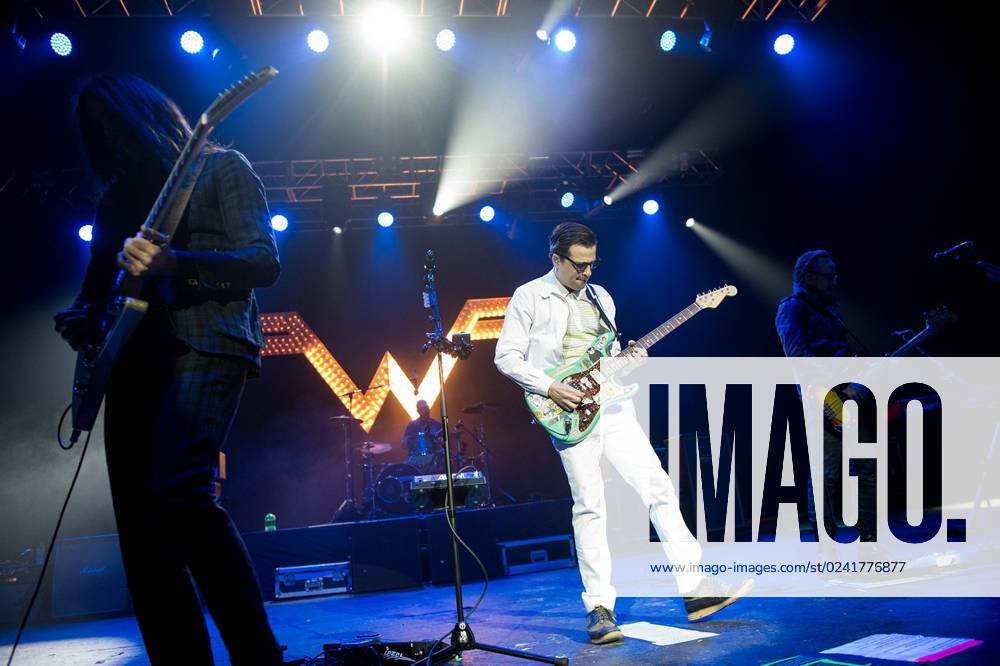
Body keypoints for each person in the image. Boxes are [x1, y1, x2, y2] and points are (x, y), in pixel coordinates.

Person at [53, 74, 283, 665]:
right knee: (138, 527)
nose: (111, 142)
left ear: (145, 117)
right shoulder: (113, 202)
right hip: (127, 364)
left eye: (116, 126)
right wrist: (80, 322)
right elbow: (93, 295)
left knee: (180, 498)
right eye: (97, 135)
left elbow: (262, 262)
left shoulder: (219, 168)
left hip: (202, 347)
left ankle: (259, 656)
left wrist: (172, 262)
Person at [494, 222, 751, 645]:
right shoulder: (530, 296)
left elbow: (608, 358)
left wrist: (628, 359)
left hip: (612, 408)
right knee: (591, 507)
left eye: (592, 264)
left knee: (660, 489)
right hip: (566, 412)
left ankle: (697, 590)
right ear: (555, 259)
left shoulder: (601, 297)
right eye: (578, 265)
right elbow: (506, 356)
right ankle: (599, 608)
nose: (587, 273)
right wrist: (549, 386)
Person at [775, 250, 876, 542]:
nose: (834, 281)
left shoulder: (831, 308)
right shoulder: (792, 308)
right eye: (828, 276)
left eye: (835, 275)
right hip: (824, 398)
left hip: (851, 396)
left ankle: (870, 540)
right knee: (827, 473)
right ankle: (827, 549)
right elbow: (798, 354)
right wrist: (837, 384)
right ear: (808, 277)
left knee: (867, 467)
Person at [401, 399, 444, 472]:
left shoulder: (437, 425)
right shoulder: (412, 425)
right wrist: (409, 441)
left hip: (434, 458)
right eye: (422, 408)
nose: (425, 410)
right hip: (415, 458)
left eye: (426, 408)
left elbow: (443, 443)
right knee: (404, 471)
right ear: (418, 411)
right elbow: (403, 444)